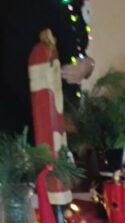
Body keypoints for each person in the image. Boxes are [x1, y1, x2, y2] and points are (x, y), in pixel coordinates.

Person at [0, 0, 94, 135]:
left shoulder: (75, 5)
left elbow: (75, 50)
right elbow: (14, 62)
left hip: (61, 115)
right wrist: (52, 115)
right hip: (23, 120)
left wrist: (88, 65)